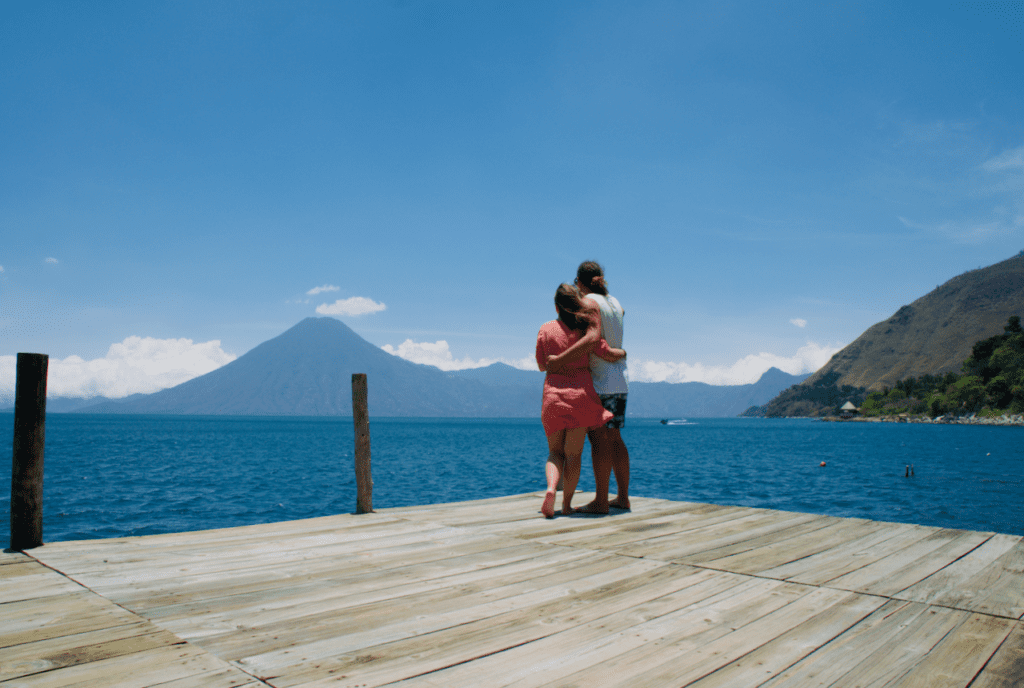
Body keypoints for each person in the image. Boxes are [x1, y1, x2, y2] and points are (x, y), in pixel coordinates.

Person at [546, 261, 631, 514]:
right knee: (615, 438)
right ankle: (623, 497)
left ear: (580, 282)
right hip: (620, 380)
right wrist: (620, 350)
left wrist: (560, 360)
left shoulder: (589, 302)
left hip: (599, 380)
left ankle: (601, 501)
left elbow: (592, 337)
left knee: (599, 441)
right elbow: (622, 314)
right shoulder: (614, 302)